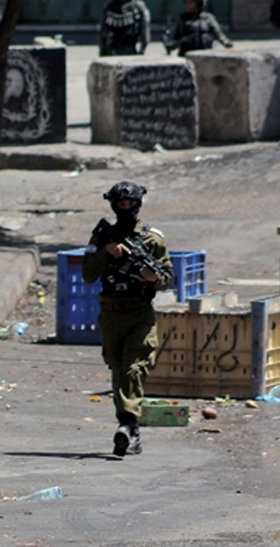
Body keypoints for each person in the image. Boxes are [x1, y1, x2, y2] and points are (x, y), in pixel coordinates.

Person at [82, 182, 174, 457]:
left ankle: (127, 424)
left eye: (130, 204)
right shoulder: (102, 237)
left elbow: (168, 278)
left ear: (139, 204)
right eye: (120, 205)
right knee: (118, 368)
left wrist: (153, 279)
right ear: (113, 206)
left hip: (139, 313)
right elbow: (88, 274)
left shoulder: (152, 240)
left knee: (134, 368)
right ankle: (130, 430)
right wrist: (106, 253)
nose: (126, 209)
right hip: (110, 313)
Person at [163, 0, 233, 56]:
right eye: (187, 3)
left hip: (205, 54)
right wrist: (172, 45)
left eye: (190, 3)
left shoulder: (208, 18)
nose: (188, 6)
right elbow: (173, 37)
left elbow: (219, 35)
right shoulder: (182, 19)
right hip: (187, 54)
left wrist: (228, 45)